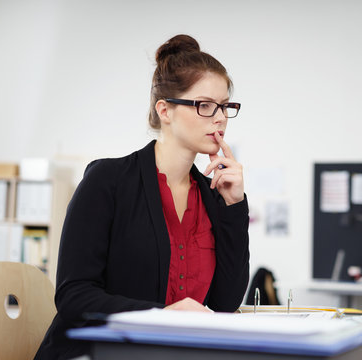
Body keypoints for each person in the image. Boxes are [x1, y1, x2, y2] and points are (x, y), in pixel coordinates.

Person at [34, 34, 250, 360]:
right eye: (205, 105)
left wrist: (234, 206)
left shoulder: (211, 196)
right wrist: (162, 315)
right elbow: (74, 296)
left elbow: (225, 302)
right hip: (93, 353)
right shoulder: (107, 181)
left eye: (224, 106)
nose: (220, 117)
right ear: (165, 110)